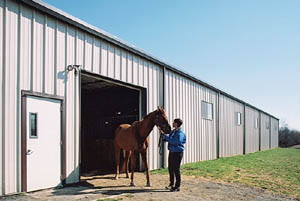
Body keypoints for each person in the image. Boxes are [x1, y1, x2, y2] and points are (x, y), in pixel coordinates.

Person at [163, 118, 186, 192]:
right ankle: (171, 184)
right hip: (172, 152)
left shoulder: (180, 133)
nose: (172, 123)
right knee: (170, 168)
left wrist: (166, 137)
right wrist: (164, 137)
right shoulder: (174, 131)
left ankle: (177, 186)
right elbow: (170, 138)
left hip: (177, 153)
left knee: (176, 169)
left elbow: (175, 141)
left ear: (176, 124)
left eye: (173, 122)